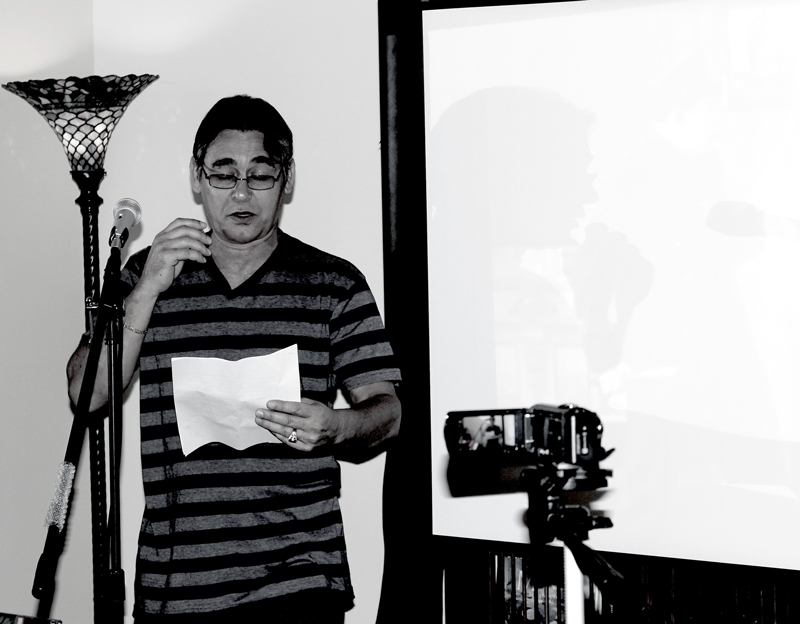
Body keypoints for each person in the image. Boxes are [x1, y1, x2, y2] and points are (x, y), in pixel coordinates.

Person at [66, 94, 402, 623]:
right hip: (178, 587)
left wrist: (336, 426)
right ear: (196, 178)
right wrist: (146, 289)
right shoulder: (149, 274)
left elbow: (389, 413)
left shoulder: (333, 282)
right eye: (223, 175)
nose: (241, 192)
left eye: (260, 175)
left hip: (299, 581)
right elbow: (86, 392)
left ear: (287, 179)